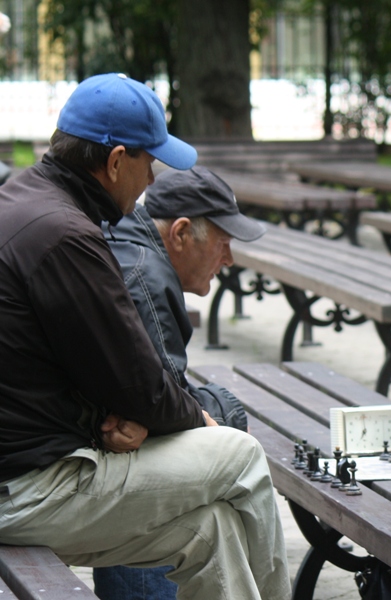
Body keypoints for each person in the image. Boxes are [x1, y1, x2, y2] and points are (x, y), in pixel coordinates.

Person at [0, 73, 291, 600]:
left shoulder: (21, 199)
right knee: (239, 453)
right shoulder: (65, 235)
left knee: (211, 530)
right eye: (148, 164)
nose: (151, 181)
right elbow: (143, 389)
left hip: (26, 471)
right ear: (114, 162)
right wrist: (191, 419)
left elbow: (102, 374)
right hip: (28, 490)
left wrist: (132, 413)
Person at [92, 166, 264, 598]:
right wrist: (219, 416)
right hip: (60, 466)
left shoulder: (126, 241)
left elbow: (155, 401)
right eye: (224, 245)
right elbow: (162, 416)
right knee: (214, 454)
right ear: (182, 233)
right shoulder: (146, 277)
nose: (229, 260)